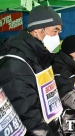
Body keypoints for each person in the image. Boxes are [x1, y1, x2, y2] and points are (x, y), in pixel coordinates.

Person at [0, 5, 63, 135]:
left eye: (59, 33)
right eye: (54, 31)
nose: (57, 37)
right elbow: (29, 118)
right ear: (38, 31)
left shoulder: (39, 55)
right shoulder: (16, 63)